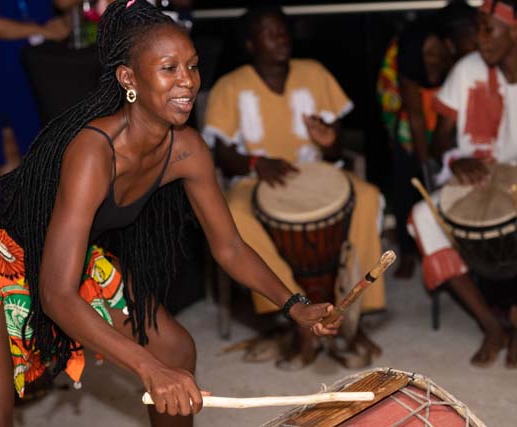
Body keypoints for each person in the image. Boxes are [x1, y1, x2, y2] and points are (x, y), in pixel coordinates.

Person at [0, 2, 342, 426]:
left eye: (192, 66)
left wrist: (295, 305)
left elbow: (229, 247)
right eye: (169, 68)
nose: (188, 81)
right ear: (128, 78)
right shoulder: (93, 153)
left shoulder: (187, 149)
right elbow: (57, 295)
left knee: (174, 351)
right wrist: (148, 369)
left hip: (61, 249)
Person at [202, 6, 385, 368]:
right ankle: (296, 311)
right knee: (235, 214)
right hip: (255, 180)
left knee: (367, 197)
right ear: (251, 44)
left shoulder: (314, 72)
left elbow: (335, 145)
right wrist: (256, 163)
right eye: (269, 32)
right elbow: (221, 153)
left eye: (283, 30)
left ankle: (353, 315)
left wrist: (329, 141)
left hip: (316, 174)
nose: (280, 38)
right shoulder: (230, 85)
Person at [408, 0, 517, 368]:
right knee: (423, 216)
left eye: (489, 29)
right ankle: (491, 325)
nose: (479, 39)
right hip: (476, 174)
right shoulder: (467, 69)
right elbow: (440, 140)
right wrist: (458, 158)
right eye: (478, 28)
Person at [378, 2, 477, 278]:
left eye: (436, 53)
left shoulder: (463, 54)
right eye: (428, 55)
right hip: (408, 107)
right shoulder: (410, 54)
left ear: (450, 44)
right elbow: (417, 119)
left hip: (444, 106)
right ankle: (407, 250)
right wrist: (425, 167)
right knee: (406, 177)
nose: (432, 59)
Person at [0, 0, 72, 176]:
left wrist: (62, 23)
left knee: (47, 145)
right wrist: (41, 30)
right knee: (9, 147)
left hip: (43, 64)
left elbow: (65, 3)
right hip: (0, 65)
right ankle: (12, 193)